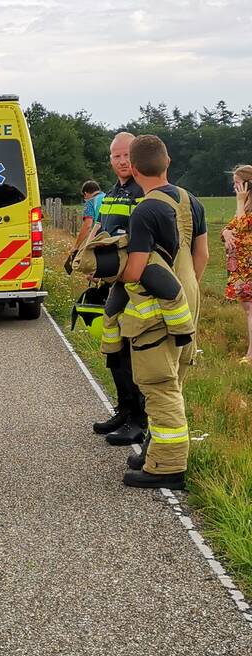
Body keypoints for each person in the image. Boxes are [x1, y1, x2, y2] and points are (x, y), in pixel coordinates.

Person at [118, 134, 209, 489]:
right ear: (167, 161)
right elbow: (202, 256)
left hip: (158, 308)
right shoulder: (191, 201)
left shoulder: (145, 210)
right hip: (189, 299)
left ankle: (167, 467)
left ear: (134, 168)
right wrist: (188, 292)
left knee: (158, 384)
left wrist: (110, 271)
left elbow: (136, 270)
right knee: (175, 380)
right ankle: (155, 450)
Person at [88, 132, 148, 448]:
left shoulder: (145, 192)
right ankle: (124, 410)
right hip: (115, 284)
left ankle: (139, 419)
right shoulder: (111, 194)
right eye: (116, 156)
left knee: (133, 353)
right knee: (114, 350)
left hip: (139, 286)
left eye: (127, 155)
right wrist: (89, 261)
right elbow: (102, 231)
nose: (122, 161)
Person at [222, 164, 252, 363]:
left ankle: (251, 355)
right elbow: (231, 227)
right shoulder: (245, 206)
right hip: (240, 268)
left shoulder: (245, 206)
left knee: (251, 309)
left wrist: (240, 201)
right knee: (248, 309)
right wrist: (225, 232)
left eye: (238, 184)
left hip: (249, 267)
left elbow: (241, 228)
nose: (235, 188)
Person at [65, 180, 105, 271]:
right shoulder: (109, 197)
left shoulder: (90, 202)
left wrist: (76, 246)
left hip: (100, 237)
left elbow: (88, 225)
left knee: (94, 269)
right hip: (115, 236)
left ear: (86, 193)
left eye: (84, 196)